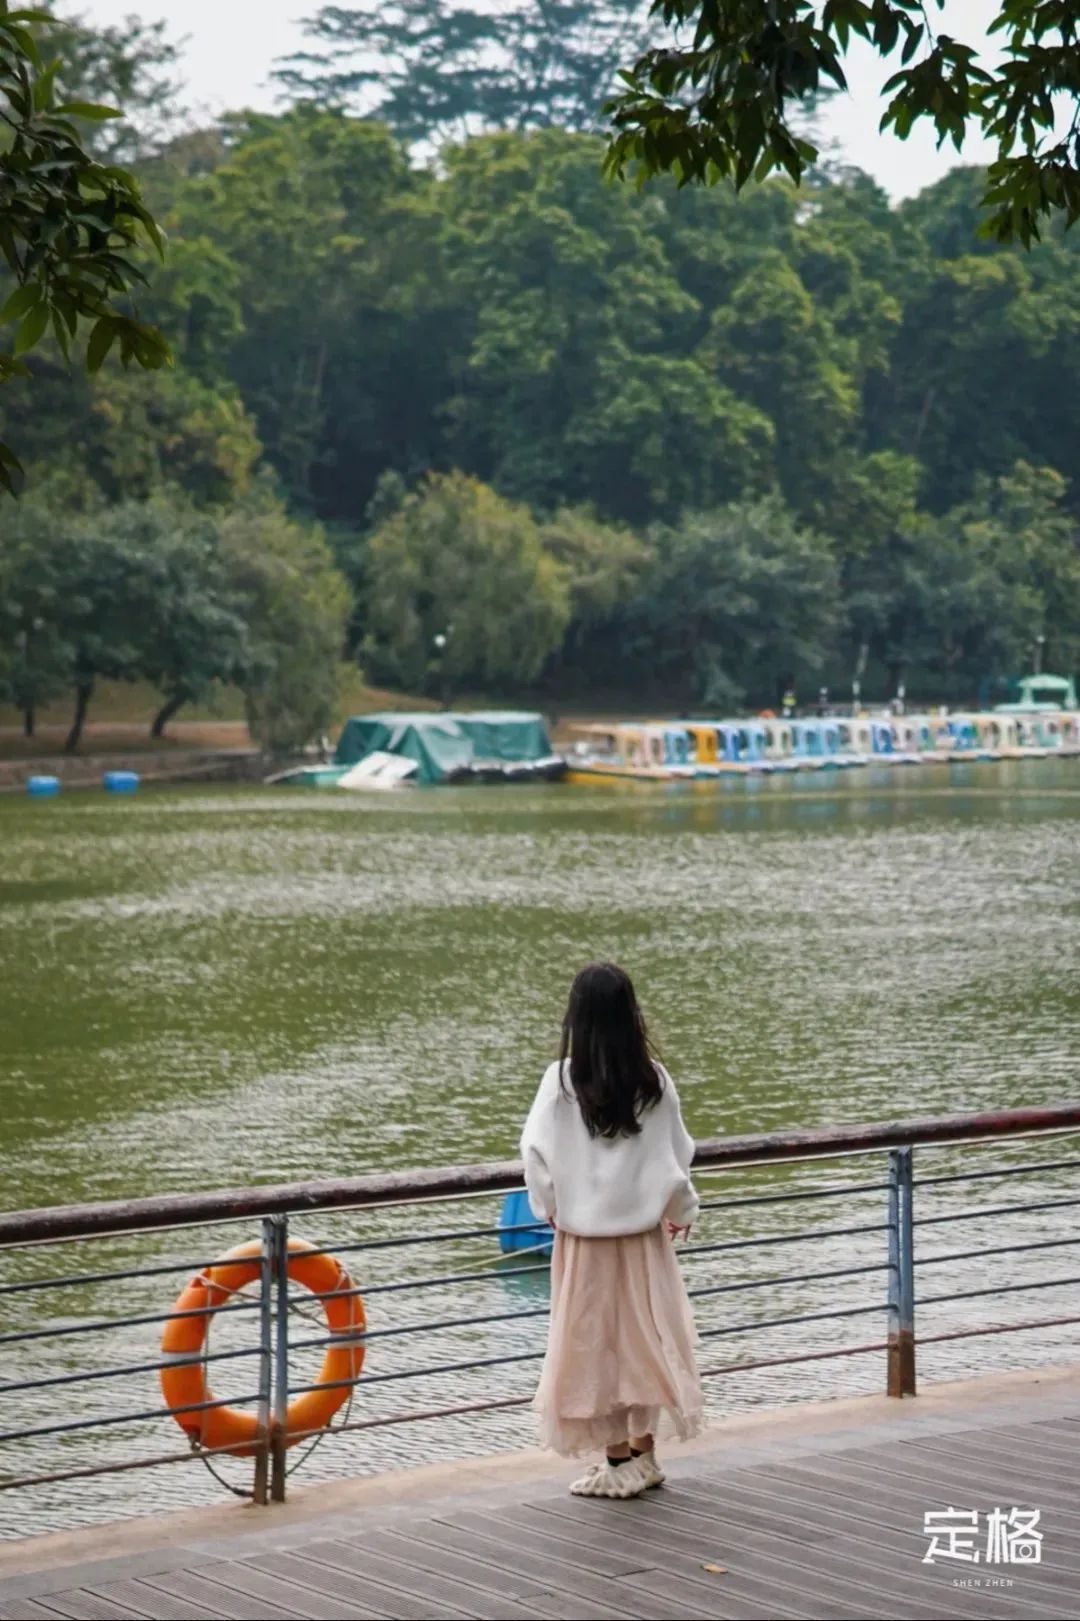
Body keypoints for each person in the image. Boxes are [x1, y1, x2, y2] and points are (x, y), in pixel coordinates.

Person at [520, 962, 703, 1499]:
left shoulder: (560, 1084)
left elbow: (535, 1155)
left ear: (577, 1017)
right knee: (646, 1343)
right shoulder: (653, 1081)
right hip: (643, 1241)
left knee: (593, 1350)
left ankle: (620, 1460)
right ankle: (642, 1457)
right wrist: (681, 1211)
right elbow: (678, 1156)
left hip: (584, 1245)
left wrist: (548, 1208)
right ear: (631, 1015)